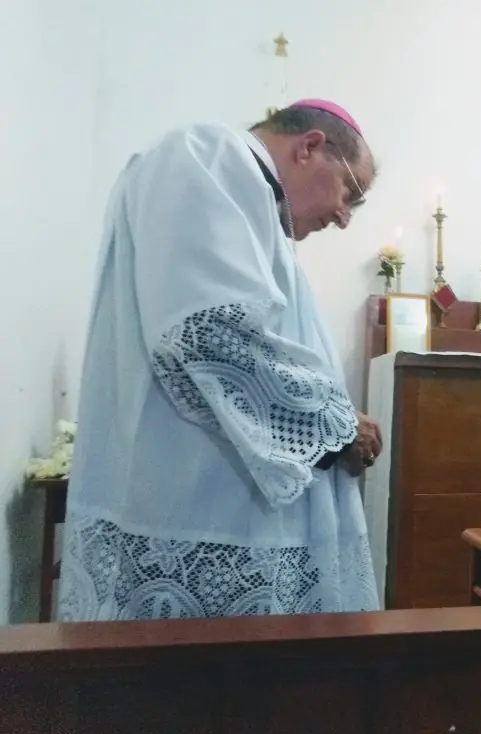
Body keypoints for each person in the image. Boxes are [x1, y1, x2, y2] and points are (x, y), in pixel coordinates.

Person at [58, 99, 384, 621]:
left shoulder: (251, 197)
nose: (344, 218)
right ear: (310, 147)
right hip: (201, 504)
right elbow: (209, 330)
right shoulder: (207, 153)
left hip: (222, 505)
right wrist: (335, 424)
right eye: (351, 192)